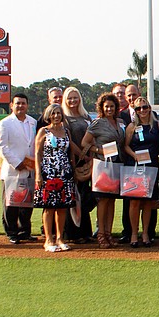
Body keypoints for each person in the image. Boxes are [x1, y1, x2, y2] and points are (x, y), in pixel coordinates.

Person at [82, 93, 125, 248]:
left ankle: (109, 233)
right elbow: (84, 143)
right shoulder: (97, 123)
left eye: (112, 106)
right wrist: (100, 151)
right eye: (106, 106)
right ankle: (101, 235)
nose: (109, 109)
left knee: (112, 201)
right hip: (102, 166)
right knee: (103, 200)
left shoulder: (119, 122)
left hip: (116, 165)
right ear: (101, 107)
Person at [33, 104, 76, 252]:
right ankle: (48, 239)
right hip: (48, 172)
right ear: (49, 115)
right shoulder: (43, 131)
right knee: (49, 207)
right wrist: (38, 174)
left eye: (59, 113)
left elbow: (70, 151)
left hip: (64, 172)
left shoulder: (66, 131)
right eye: (53, 113)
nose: (56, 116)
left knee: (62, 207)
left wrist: (74, 170)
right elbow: (37, 154)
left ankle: (60, 238)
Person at [123, 96, 159, 248]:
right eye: (138, 108)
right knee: (134, 202)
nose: (142, 111)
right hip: (134, 167)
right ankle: (134, 233)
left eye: (145, 107)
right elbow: (125, 146)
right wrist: (134, 156)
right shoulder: (131, 127)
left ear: (149, 108)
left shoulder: (158, 126)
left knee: (148, 202)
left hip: (151, 166)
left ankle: (146, 233)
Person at [0, 93, 38, 244]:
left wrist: (31, 163)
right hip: (12, 169)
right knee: (11, 203)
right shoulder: (4, 123)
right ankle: (11, 232)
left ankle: (25, 231)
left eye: (23, 103)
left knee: (27, 202)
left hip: (30, 168)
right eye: (17, 103)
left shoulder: (33, 122)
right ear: (11, 105)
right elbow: (2, 147)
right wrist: (18, 163)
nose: (20, 106)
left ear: (27, 105)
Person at [62, 86, 95, 243]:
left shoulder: (86, 116)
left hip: (88, 160)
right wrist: (79, 155)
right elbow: (68, 141)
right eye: (69, 98)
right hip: (73, 160)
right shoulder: (65, 118)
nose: (73, 101)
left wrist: (89, 154)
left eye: (75, 97)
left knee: (86, 196)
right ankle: (73, 234)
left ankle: (85, 231)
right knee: (74, 197)